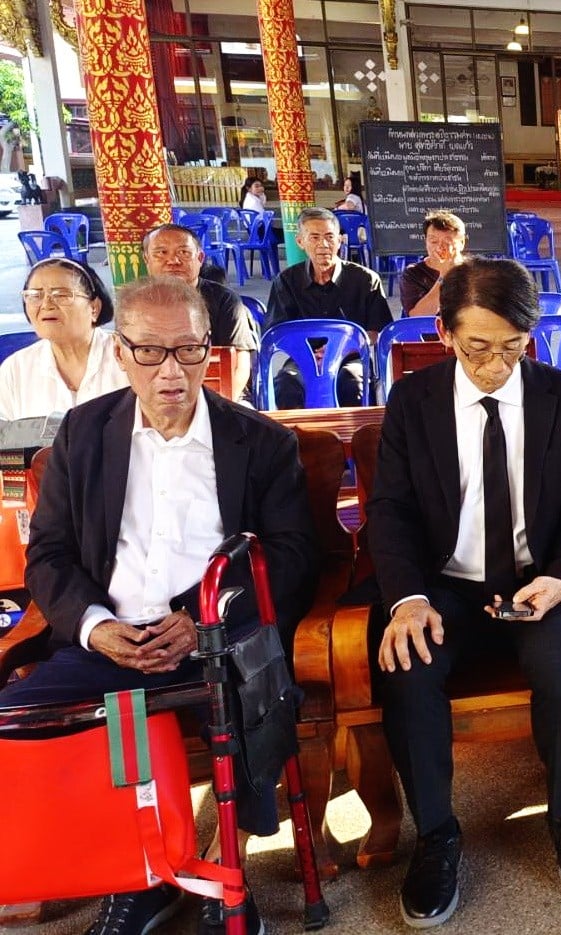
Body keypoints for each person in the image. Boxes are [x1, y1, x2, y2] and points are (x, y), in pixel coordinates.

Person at [0, 275, 317, 934]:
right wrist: (94, 626)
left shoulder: (259, 442)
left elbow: (290, 559)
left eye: (188, 349)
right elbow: (49, 554)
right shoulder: (85, 433)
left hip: (215, 638)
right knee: (20, 721)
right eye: (150, 351)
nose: (171, 370)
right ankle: (134, 875)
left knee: (253, 713)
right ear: (120, 352)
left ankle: (223, 869)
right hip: (109, 638)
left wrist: (202, 622)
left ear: (210, 349)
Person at [366, 258, 561, 926]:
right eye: (477, 347)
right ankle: (436, 835)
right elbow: (389, 511)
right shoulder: (414, 401)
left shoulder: (560, 396)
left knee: (556, 660)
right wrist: (406, 599)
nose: (495, 365)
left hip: (536, 580)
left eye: (512, 347)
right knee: (407, 666)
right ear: (444, 333)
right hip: (442, 584)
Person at [264, 206, 392, 408]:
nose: (323, 244)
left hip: (350, 357)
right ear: (300, 242)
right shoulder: (286, 281)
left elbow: (378, 331)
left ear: (340, 240)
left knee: (353, 384)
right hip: (303, 359)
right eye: (314, 237)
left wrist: (338, 349)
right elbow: (277, 333)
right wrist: (309, 354)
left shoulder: (365, 280)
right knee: (286, 384)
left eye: (329, 237)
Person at [0, 257, 127, 420]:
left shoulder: (128, 357)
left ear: (94, 308)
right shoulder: (16, 368)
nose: (46, 304)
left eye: (61, 295)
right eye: (35, 296)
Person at [142, 223, 260, 396]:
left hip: (220, 394)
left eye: (183, 252)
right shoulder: (137, 304)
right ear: (147, 259)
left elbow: (240, 365)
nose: (173, 261)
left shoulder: (225, 300)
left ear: (200, 258)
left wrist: (219, 406)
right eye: (161, 253)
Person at [399, 210, 469, 317]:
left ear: (462, 243)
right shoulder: (413, 274)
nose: (440, 247)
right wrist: (444, 275)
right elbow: (417, 316)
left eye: (447, 241)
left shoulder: (475, 271)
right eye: (434, 241)